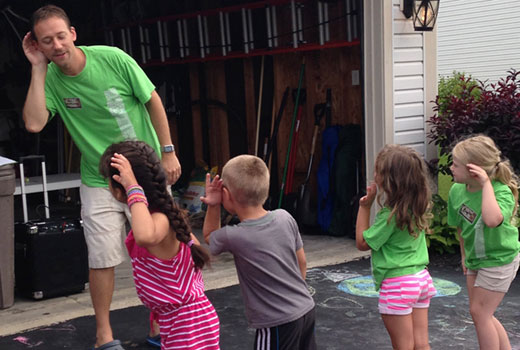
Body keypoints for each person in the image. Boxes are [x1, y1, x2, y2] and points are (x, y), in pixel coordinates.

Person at [21, 5, 181, 349]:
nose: (57, 45)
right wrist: (37, 69)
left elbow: (152, 99)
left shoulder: (113, 58)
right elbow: (34, 123)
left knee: (158, 247)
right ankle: (104, 334)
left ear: (73, 33)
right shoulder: (49, 78)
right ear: (39, 45)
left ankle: (159, 324)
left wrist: (168, 151)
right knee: (102, 257)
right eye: (47, 41)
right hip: (99, 179)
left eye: (61, 36)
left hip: (146, 171)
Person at [99, 140, 220, 350]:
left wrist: (132, 188)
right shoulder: (167, 214)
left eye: (108, 180)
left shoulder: (161, 220)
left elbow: (144, 237)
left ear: (119, 187)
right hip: (186, 320)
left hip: (187, 325)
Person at [201, 155, 316, 350]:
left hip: (277, 323)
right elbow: (301, 263)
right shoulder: (284, 217)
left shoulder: (235, 235)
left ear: (226, 195)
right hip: (306, 309)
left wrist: (214, 204)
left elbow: (210, 236)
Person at [355, 144, 436, 350]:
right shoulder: (417, 205)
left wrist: (365, 207)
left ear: (390, 180)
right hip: (421, 279)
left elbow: (362, 243)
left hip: (398, 285)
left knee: (403, 346)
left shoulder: (390, 215)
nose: (374, 175)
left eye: (378, 172)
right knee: (421, 344)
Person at [448, 135, 520, 350]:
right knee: (482, 314)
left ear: (474, 170)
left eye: (455, 164)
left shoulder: (500, 192)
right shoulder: (456, 191)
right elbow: (460, 227)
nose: (451, 168)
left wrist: (486, 184)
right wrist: (464, 257)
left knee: (480, 313)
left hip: (499, 260)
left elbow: (491, 220)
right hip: (475, 259)